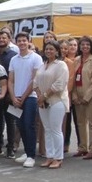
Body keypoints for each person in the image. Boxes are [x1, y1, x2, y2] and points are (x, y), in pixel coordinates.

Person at [7, 32, 43, 168]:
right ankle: (27, 152)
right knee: (20, 126)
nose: (22, 43)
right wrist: (13, 97)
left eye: (24, 40)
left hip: (30, 98)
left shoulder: (36, 58)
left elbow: (35, 80)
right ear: (16, 42)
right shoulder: (14, 59)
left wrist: (23, 96)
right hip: (16, 98)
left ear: (29, 41)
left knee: (29, 125)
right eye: (19, 41)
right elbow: (10, 80)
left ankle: (31, 155)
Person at [33, 40, 69, 169]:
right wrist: (39, 96)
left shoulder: (61, 65)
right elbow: (35, 82)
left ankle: (58, 158)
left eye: (51, 49)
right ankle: (50, 156)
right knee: (47, 129)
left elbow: (59, 84)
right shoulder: (43, 65)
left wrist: (45, 96)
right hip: (43, 102)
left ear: (57, 51)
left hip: (56, 101)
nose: (49, 51)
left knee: (55, 130)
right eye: (47, 49)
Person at [71, 36, 92, 160]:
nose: (85, 47)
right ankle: (82, 147)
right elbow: (73, 79)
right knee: (80, 123)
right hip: (78, 95)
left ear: (91, 46)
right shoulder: (77, 60)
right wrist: (74, 95)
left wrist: (87, 97)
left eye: (87, 45)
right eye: (83, 45)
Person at [0, 30, 19, 158]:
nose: (1, 40)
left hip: (10, 94)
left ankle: (11, 148)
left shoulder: (13, 55)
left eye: (4, 38)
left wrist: (13, 94)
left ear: (9, 39)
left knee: (11, 122)